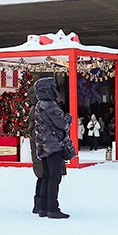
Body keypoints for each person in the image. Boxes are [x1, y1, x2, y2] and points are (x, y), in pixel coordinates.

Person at [30, 76, 72, 219]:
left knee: (47, 176)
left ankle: (43, 207)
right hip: (53, 145)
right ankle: (53, 208)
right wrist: (68, 118)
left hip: (43, 146)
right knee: (55, 177)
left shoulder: (38, 105)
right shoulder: (50, 105)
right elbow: (62, 124)